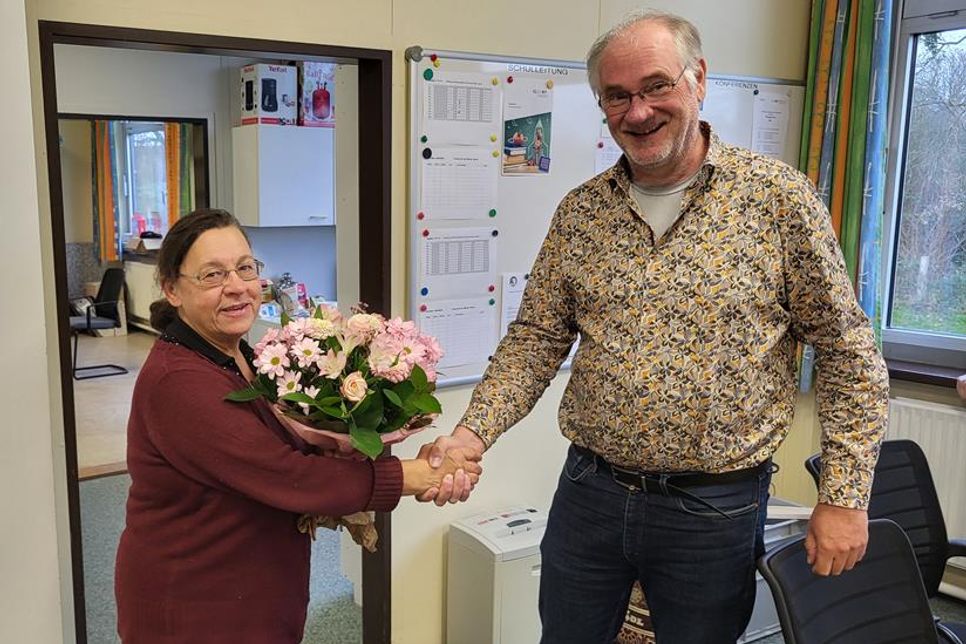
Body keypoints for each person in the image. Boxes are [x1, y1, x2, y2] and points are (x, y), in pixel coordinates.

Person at [419, 10, 889, 644]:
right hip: (590, 493)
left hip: (714, 507)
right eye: (618, 96)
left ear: (698, 79)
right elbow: (536, 339)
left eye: (656, 86)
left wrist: (845, 493)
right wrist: (473, 432)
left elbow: (847, 351)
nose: (637, 111)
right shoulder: (583, 211)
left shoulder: (777, 200)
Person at [114, 209, 480, 643]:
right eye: (212, 275)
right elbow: (286, 474)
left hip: (250, 589)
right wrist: (415, 475)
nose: (236, 286)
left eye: (245, 268)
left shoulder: (237, 356)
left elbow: (286, 443)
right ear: (172, 289)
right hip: (196, 602)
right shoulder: (179, 382)